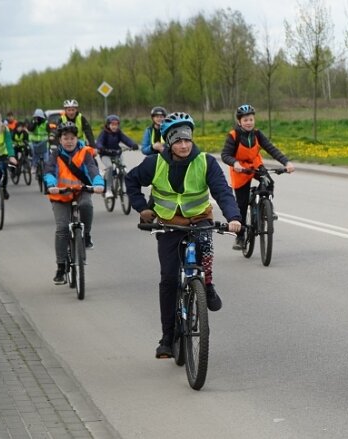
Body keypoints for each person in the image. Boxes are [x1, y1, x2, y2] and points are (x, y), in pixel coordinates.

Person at [125, 112, 242, 359]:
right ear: (169, 142)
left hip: (200, 219)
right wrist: (142, 209)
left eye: (187, 139)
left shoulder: (205, 162)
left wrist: (234, 218)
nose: (183, 145)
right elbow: (131, 181)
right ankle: (167, 338)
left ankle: (206, 286)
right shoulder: (154, 163)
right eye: (177, 140)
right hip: (169, 224)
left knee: (206, 249)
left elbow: (222, 191)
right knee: (168, 280)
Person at [220, 104, 295, 250]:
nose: (248, 122)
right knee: (240, 205)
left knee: (268, 182)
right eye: (245, 120)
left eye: (251, 119)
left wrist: (287, 162)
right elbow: (225, 155)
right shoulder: (233, 136)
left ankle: (266, 209)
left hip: (255, 165)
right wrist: (234, 162)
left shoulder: (257, 134)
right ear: (239, 121)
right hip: (240, 169)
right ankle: (240, 237)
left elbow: (271, 149)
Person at [44, 122, 105, 284]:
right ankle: (61, 267)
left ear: (77, 138)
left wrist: (99, 183)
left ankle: (86, 235)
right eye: (65, 138)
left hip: (80, 190)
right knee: (62, 228)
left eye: (72, 138)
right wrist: (51, 186)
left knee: (87, 205)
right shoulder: (55, 155)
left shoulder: (84, 152)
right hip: (61, 194)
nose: (69, 141)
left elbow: (92, 169)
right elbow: (49, 171)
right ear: (60, 140)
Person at [95, 114, 139, 199]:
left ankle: (120, 185)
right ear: (108, 125)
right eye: (112, 125)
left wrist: (133, 144)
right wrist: (101, 148)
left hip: (117, 153)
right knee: (110, 167)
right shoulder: (104, 133)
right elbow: (99, 142)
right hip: (105, 154)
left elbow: (126, 139)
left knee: (122, 168)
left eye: (116, 125)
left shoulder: (119, 133)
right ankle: (108, 190)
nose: (114, 127)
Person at [0, 109, 17, 200]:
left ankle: (4, 189)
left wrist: (11, 156)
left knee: (4, 173)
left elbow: (8, 143)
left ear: (0, 118)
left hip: (2, 156)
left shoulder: (4, 128)